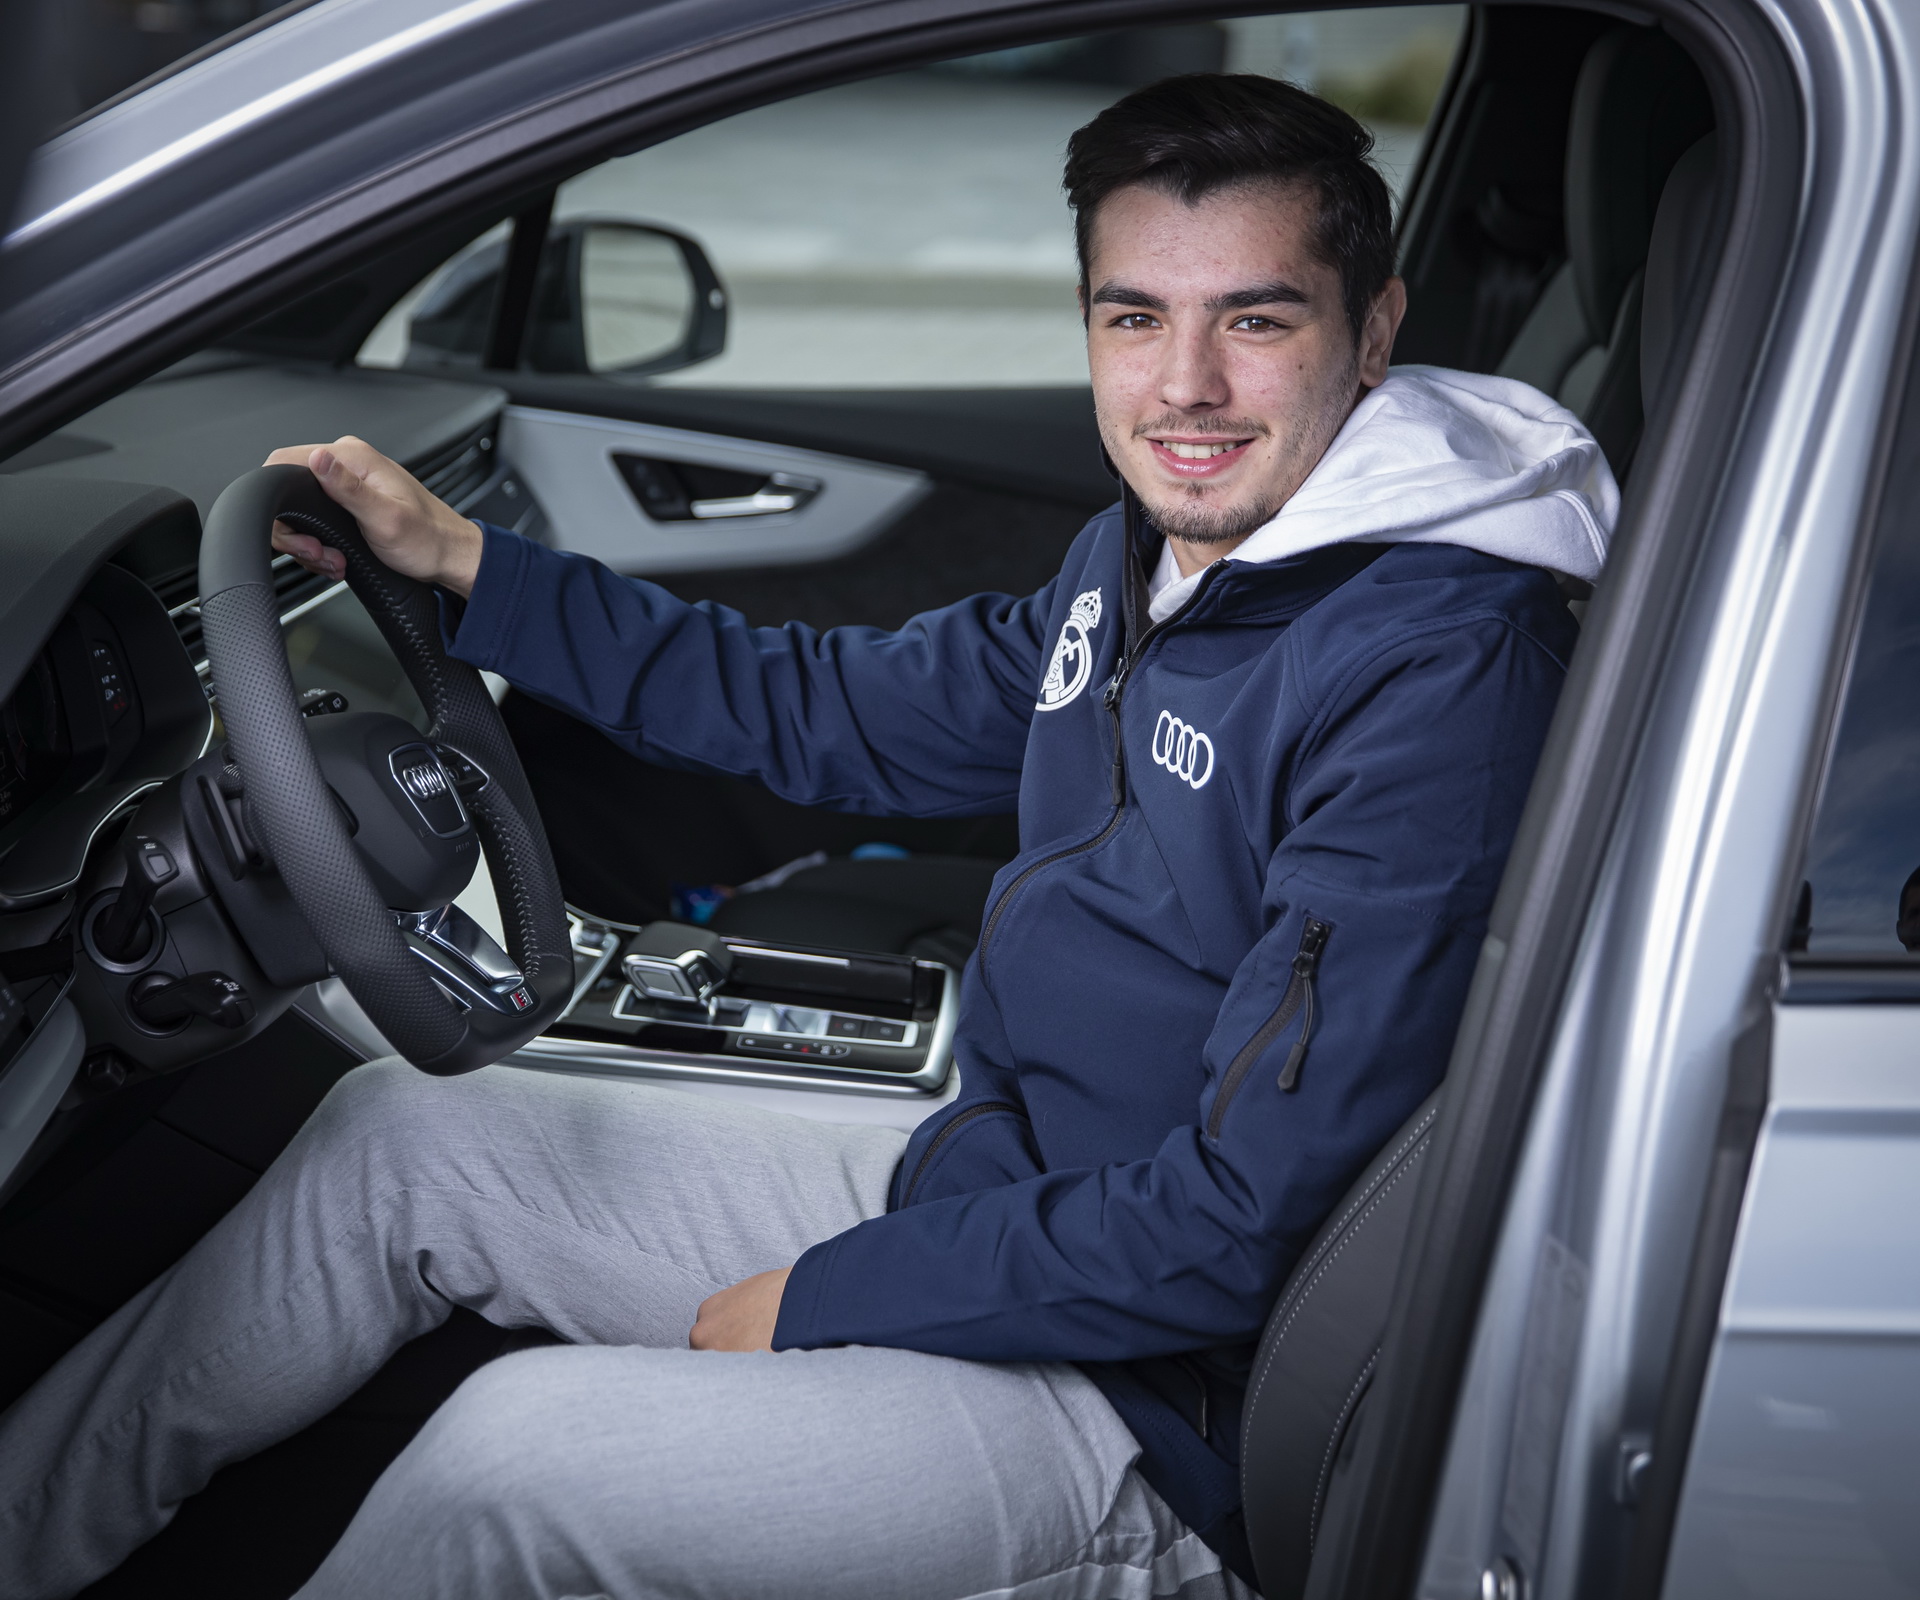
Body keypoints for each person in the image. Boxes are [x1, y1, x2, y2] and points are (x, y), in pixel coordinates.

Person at [0, 74, 1614, 1600]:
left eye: (1254, 321)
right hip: (1002, 1183)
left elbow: (1244, 1225)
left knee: (515, 1459)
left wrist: (835, 1300)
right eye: (1137, 318)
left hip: (1164, 1409)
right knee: (398, 1144)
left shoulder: (1434, 677)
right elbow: (829, 709)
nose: (1184, 387)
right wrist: (480, 576)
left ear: (1375, 330)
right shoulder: (1154, 557)